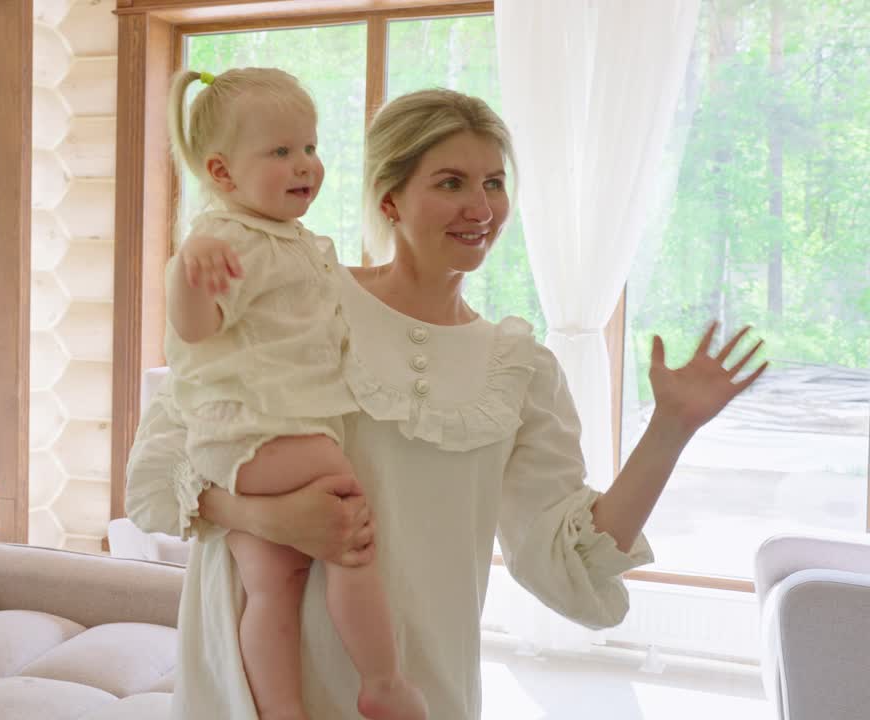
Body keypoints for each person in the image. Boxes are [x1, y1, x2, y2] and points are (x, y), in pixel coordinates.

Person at [126, 87, 768, 720]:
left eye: (494, 183)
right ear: (390, 198)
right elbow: (157, 482)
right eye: (451, 183)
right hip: (259, 689)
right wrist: (271, 520)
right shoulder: (299, 299)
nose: (481, 207)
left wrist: (670, 429)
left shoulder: (517, 369)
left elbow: (565, 562)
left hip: (420, 694)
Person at [160, 66, 426, 720]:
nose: (305, 163)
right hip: (258, 432)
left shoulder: (294, 241)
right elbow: (193, 331)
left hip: (242, 445)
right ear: (222, 174)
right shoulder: (227, 241)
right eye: (280, 151)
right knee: (347, 519)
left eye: (309, 147)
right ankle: (382, 679)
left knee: (272, 584)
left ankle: (282, 711)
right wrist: (185, 272)